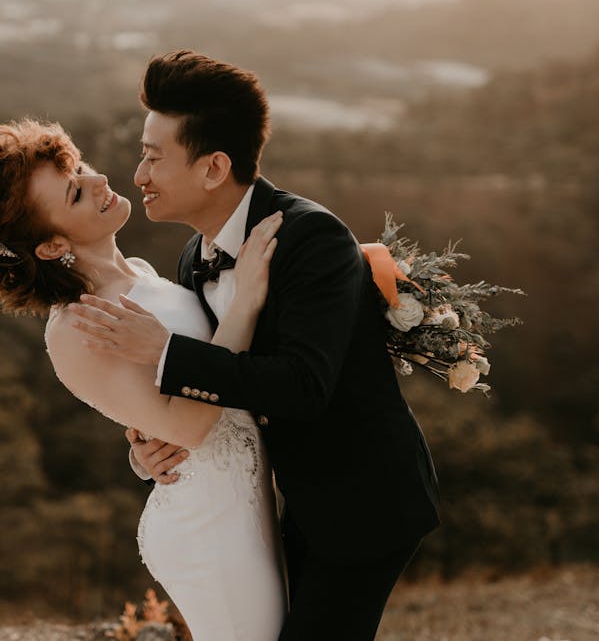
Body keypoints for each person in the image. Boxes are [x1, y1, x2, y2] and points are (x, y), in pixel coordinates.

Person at [68, 50, 441, 640]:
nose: (138, 176)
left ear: (214, 168)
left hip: (363, 496)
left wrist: (165, 352)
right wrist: (148, 447)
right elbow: (219, 385)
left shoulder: (312, 238)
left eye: (153, 158)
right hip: (284, 502)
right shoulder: (194, 257)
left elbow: (303, 386)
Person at [0, 118, 287, 640]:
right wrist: (246, 302)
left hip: (247, 501)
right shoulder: (75, 328)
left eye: (79, 169)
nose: (98, 181)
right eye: (75, 192)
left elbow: (162, 402)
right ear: (51, 246)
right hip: (210, 525)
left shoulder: (138, 271)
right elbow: (188, 429)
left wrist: (141, 450)